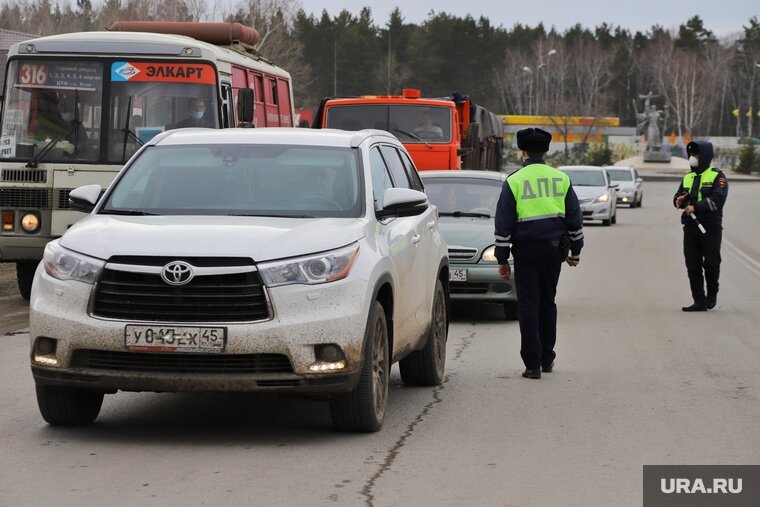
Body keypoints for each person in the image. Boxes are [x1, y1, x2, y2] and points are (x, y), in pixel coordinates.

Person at [494, 128, 584, 379]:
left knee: (529, 305)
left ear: (523, 151)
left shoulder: (514, 181)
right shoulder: (561, 179)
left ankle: (532, 365)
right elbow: (575, 218)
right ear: (546, 151)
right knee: (548, 302)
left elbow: (503, 223)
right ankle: (547, 358)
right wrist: (575, 251)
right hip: (554, 251)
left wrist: (502, 259)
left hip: (526, 252)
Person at [673, 141, 728, 312]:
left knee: (711, 264)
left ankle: (712, 294)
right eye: (691, 155)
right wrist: (680, 200)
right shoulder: (687, 177)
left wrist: (696, 207)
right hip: (690, 226)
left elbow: (718, 201)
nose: (692, 158)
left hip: (710, 227)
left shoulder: (717, 176)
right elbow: (678, 196)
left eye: (696, 155)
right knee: (693, 265)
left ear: (704, 156)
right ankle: (699, 301)